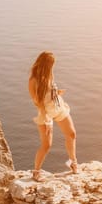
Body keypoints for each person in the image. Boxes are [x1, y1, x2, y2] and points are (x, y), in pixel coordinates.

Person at [28, 51, 78, 181]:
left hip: (58, 108)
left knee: (72, 134)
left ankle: (73, 163)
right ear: (46, 64)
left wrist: (57, 93)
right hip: (45, 113)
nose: (53, 67)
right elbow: (38, 103)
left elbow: (49, 94)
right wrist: (48, 121)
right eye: (51, 64)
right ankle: (36, 172)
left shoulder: (49, 75)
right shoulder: (33, 80)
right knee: (46, 145)